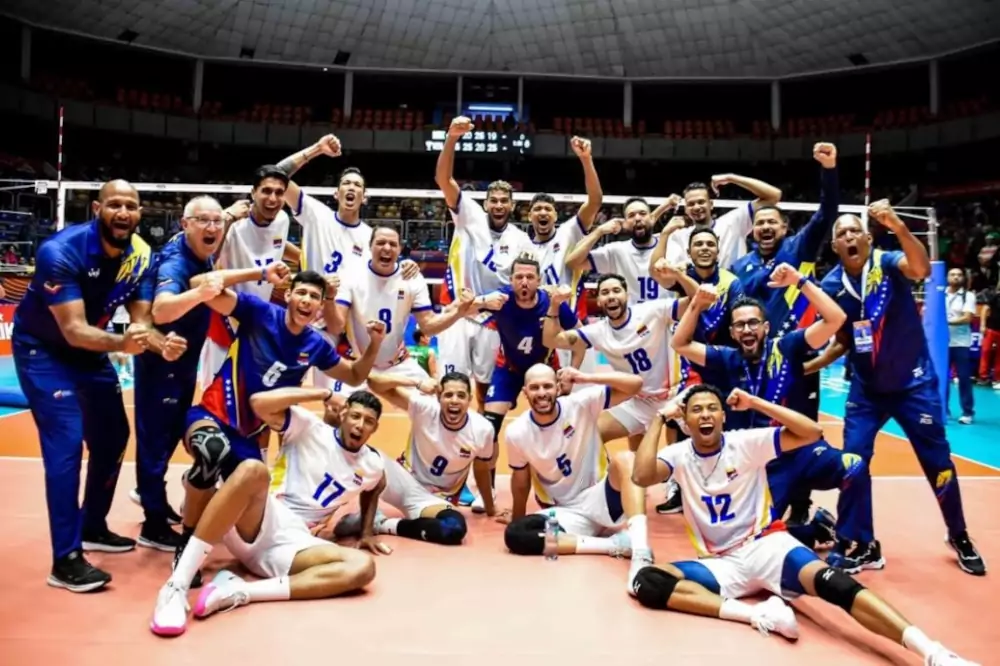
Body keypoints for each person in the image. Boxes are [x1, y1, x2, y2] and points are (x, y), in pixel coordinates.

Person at [628, 384, 980, 666]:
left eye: (711, 408)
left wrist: (755, 402)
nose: (705, 415)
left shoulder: (745, 443)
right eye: (696, 410)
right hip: (721, 563)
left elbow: (811, 432)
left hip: (766, 546)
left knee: (836, 584)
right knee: (648, 581)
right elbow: (641, 476)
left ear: (723, 415)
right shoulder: (678, 455)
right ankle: (756, 614)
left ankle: (933, 653)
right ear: (685, 419)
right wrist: (660, 418)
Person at [12, 179, 187, 592]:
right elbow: (74, 330)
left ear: (140, 213)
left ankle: (93, 525)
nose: (123, 213)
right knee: (67, 444)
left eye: (131, 206)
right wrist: (124, 344)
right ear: (96, 209)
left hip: (90, 353)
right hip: (44, 351)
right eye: (114, 205)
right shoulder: (60, 252)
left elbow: (141, 321)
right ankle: (66, 560)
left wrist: (159, 343)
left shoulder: (140, 255)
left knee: (112, 436)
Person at [171, 270, 386, 587]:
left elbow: (354, 376)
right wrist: (259, 273)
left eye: (315, 297)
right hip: (211, 414)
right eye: (302, 293)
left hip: (248, 435)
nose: (307, 301)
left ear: (320, 307)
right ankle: (185, 544)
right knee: (212, 452)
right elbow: (197, 285)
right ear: (288, 295)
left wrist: (374, 345)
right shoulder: (259, 312)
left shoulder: (316, 345)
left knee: (244, 490)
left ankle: (199, 491)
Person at [819, 201, 985, 575]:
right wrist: (811, 364)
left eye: (854, 230)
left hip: (914, 386)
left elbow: (921, 268)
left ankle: (959, 535)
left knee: (938, 464)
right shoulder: (831, 285)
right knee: (853, 462)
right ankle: (861, 542)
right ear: (834, 246)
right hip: (867, 391)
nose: (849, 236)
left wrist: (897, 225)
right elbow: (843, 338)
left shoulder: (888, 262)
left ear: (867, 238)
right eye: (841, 233)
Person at [149, 388, 388, 637]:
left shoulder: (372, 464)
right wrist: (324, 394)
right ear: (343, 413)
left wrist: (367, 532)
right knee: (254, 471)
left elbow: (376, 486)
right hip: (265, 516)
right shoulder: (309, 427)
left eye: (368, 421)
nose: (360, 425)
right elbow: (258, 403)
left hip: (298, 542)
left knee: (363, 566)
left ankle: (238, 591)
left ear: (375, 428)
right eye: (355, 416)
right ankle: (175, 587)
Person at [670, 267, 856, 549]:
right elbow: (680, 343)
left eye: (753, 323)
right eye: (740, 325)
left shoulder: (787, 347)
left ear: (766, 328)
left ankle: (857, 542)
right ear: (732, 333)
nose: (747, 329)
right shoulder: (726, 359)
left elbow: (836, 319)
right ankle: (814, 530)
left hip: (799, 449)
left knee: (855, 467)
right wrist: (696, 303)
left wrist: (800, 281)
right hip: (762, 462)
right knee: (749, 541)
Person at [730, 143, 840, 525]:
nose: (765, 227)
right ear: (752, 230)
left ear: (783, 227)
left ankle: (802, 504)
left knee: (802, 427)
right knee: (757, 428)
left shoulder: (799, 249)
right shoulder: (740, 266)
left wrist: (829, 169)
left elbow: (827, 213)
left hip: (796, 356)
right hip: (755, 362)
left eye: (771, 222)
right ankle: (760, 496)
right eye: (759, 222)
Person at [502, 365, 651, 580]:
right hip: (566, 513)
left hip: (603, 498)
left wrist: (585, 377)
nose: (542, 393)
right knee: (516, 534)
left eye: (547, 386)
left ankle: (641, 551)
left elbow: (635, 385)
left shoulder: (580, 403)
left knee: (627, 460)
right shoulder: (516, 432)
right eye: (534, 388)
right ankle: (613, 545)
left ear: (557, 387)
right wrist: (518, 518)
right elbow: (520, 480)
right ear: (525, 392)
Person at [433, 115, 534, 409]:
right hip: (457, 312)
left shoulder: (521, 241)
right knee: (450, 387)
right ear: (486, 203)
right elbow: (443, 180)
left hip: (492, 318)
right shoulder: (469, 215)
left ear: (512, 205)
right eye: (494, 200)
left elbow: (523, 284)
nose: (499, 205)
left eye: (504, 201)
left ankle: (480, 432)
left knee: (484, 390)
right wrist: (451, 138)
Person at [335, 370, 500, 543]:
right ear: (438, 397)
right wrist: (416, 382)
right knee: (359, 454)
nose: (454, 400)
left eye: (461, 395)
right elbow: (374, 383)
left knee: (453, 529)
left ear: (470, 399)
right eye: (448, 395)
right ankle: (324, 512)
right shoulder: (425, 407)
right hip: (402, 480)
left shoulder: (483, 429)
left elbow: (481, 470)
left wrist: (490, 508)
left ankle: (381, 523)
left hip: (434, 498)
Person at [472, 255, 583, 509]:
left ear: (539, 280)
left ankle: (562, 486)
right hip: (508, 369)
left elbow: (581, 336)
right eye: (519, 277)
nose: (524, 282)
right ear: (510, 280)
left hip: (544, 370)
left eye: (530, 277)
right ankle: (488, 490)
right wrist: (482, 301)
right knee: (488, 429)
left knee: (562, 427)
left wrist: (572, 372)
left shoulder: (552, 303)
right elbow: (462, 311)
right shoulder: (500, 299)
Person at [541, 274, 693, 451]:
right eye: (605, 292)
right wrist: (554, 304)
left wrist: (678, 274)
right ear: (599, 301)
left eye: (616, 290)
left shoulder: (652, 311)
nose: (611, 296)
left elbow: (696, 301)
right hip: (642, 401)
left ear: (627, 295)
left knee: (687, 449)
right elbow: (551, 340)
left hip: (678, 392)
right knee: (590, 434)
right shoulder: (598, 332)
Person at [324, 226, 478, 396]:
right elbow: (336, 327)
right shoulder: (351, 275)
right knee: (337, 406)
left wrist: (459, 312)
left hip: (397, 364)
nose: (387, 248)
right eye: (381, 243)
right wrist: (329, 298)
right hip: (356, 363)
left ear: (399, 249)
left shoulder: (411, 278)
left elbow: (428, 327)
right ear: (370, 246)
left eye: (392, 244)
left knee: (434, 404)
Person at [197, 165, 298, 390]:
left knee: (251, 392)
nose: (273, 198)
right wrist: (226, 219)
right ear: (253, 193)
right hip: (227, 317)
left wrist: (306, 259)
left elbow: (277, 241)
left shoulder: (282, 219)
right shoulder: (232, 224)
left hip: (257, 319)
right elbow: (209, 261)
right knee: (215, 391)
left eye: (279, 193)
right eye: (266, 191)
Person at [527, 136, 602, 323]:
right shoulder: (522, 246)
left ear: (555, 216)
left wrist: (586, 159)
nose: (543, 213)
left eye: (548, 209)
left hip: (569, 322)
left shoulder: (568, 232)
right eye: (537, 209)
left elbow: (595, 201)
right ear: (529, 216)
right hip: (535, 322)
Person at [658, 173, 782, 270]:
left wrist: (731, 178)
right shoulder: (678, 236)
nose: (696, 207)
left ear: (711, 204)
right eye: (691, 204)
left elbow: (774, 195)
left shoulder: (733, 221)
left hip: (735, 292)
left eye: (701, 202)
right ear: (686, 209)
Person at [563, 199, 671, 304]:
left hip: (667, 315)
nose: (637, 218)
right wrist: (599, 231)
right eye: (631, 215)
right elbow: (572, 262)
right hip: (631, 315)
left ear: (652, 218)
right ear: (625, 223)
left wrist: (665, 206)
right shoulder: (615, 251)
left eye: (642, 213)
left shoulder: (671, 243)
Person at [945, 267, 976, 424]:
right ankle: (943, 410)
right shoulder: (940, 294)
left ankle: (967, 412)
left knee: (964, 378)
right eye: (952, 274)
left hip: (961, 343)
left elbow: (967, 318)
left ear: (963, 278)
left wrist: (945, 322)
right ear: (947, 277)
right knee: (941, 378)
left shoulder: (968, 296)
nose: (956, 277)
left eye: (959, 275)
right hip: (942, 343)